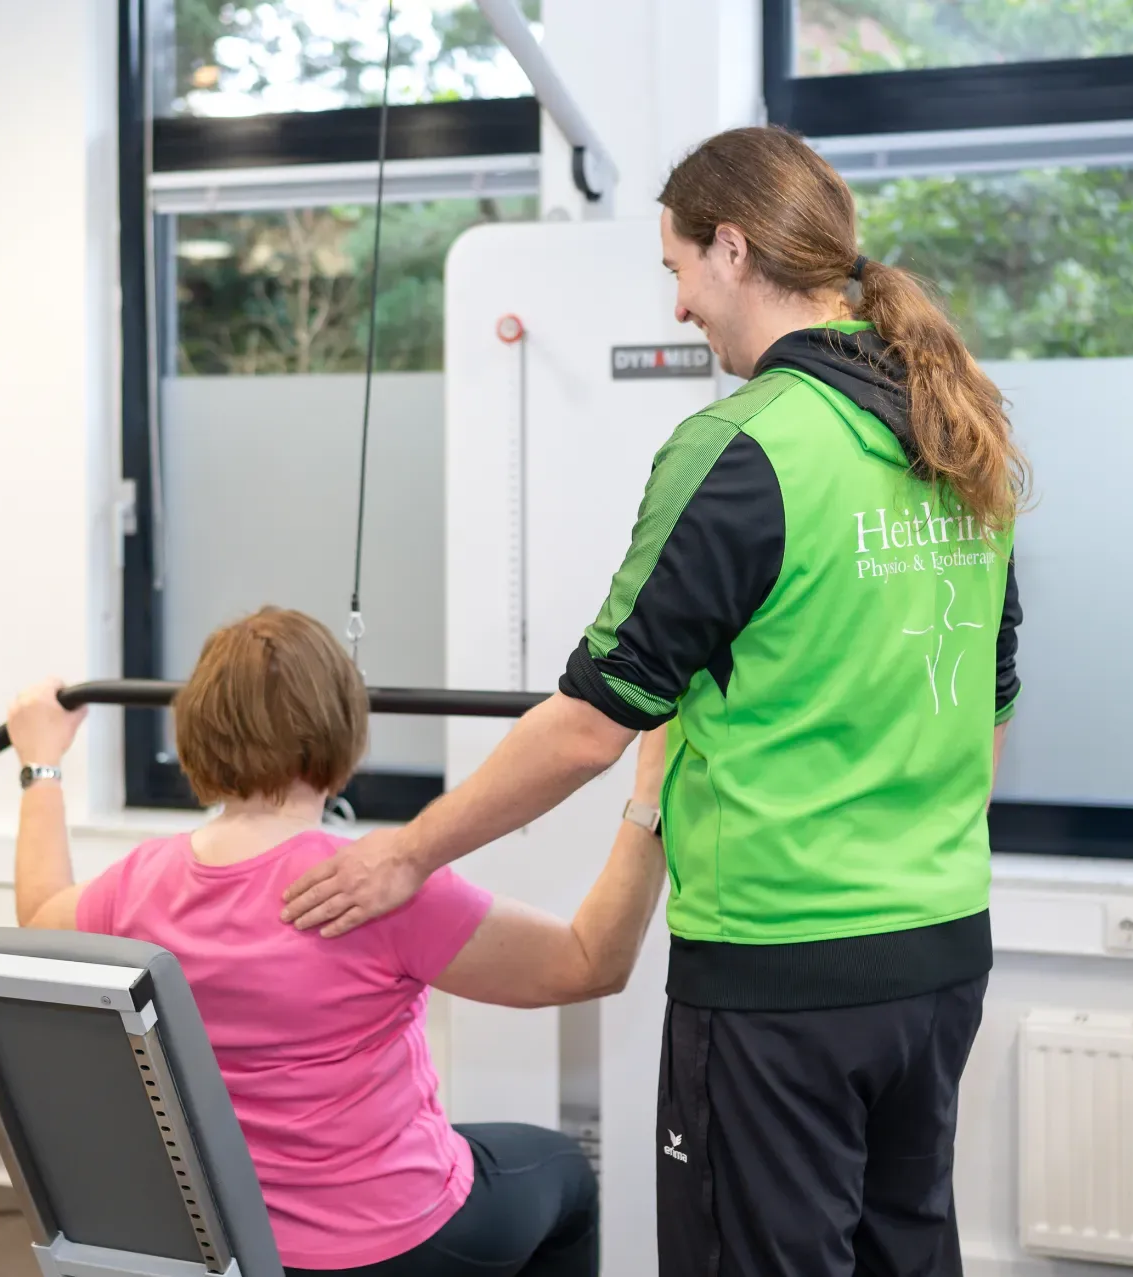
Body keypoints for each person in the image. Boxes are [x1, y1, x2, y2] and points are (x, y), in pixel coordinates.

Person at [281, 124, 1028, 1277]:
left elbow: (591, 722)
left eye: (677, 267)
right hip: (938, 952)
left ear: (731, 248)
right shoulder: (951, 429)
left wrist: (407, 853)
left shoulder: (744, 447)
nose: (678, 304)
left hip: (781, 969)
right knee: (905, 1251)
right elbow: (990, 704)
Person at [4, 606, 669, 1277]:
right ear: (341, 728)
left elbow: (37, 914)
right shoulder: (374, 884)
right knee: (565, 1174)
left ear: (197, 729)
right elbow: (592, 962)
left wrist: (41, 763)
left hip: (240, 1244)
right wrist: (653, 792)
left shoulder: (139, 885)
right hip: (395, 1241)